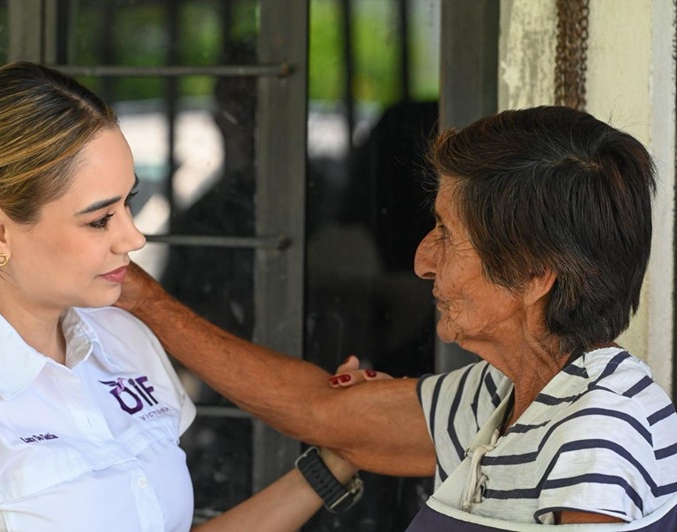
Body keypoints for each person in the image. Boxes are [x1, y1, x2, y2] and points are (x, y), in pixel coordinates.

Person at [116, 106, 677, 529]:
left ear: (533, 276)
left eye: (447, 234)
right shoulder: (502, 397)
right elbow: (320, 412)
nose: (422, 261)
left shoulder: (597, 434)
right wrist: (143, 299)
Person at [0, 62, 361, 531]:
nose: (134, 237)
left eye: (128, 203)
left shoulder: (125, 339)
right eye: (99, 219)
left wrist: (330, 467)